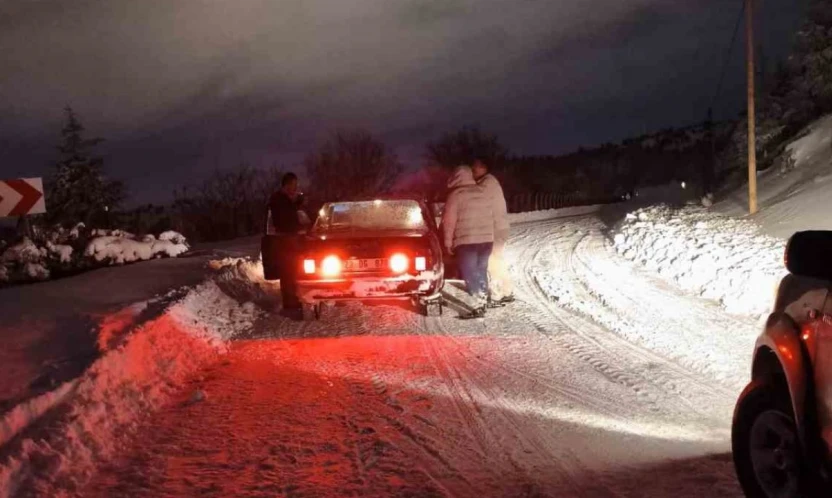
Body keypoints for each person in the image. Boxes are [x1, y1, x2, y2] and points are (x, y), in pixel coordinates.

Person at [442, 165, 494, 319]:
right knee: (481, 269)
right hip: (486, 239)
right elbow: (491, 216)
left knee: (469, 272)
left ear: (456, 178)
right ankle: (485, 296)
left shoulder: (456, 195)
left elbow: (449, 221)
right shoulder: (483, 192)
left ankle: (478, 304)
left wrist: (447, 242)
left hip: (467, 241)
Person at [471, 158, 514, 306]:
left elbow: (473, 199)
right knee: (497, 260)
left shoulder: (486, 184)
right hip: (499, 227)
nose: (473, 170)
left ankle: (497, 294)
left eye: (476, 167)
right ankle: (507, 291)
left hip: (495, 229)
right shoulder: (489, 182)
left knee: (492, 261)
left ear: (484, 168)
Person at [268, 172, 306, 314]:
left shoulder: (284, 199)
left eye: (296, 185)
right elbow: (285, 220)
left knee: (293, 270)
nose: (295, 188)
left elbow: (290, 214)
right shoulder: (278, 199)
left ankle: (293, 300)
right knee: (288, 271)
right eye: (293, 185)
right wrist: (294, 203)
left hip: (290, 239)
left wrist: (296, 202)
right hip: (285, 240)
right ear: (287, 184)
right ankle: (290, 304)